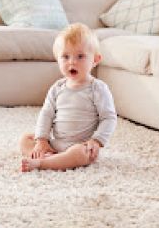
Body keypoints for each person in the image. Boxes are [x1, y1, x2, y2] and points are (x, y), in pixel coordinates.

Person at [19, 23, 117, 172]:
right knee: (26, 139)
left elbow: (109, 118)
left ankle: (42, 163)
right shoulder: (57, 88)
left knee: (81, 154)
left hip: (80, 146)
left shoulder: (97, 88)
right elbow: (46, 114)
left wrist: (96, 141)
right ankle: (52, 158)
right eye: (65, 56)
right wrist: (42, 140)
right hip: (55, 144)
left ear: (95, 60)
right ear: (57, 59)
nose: (72, 62)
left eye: (80, 56)